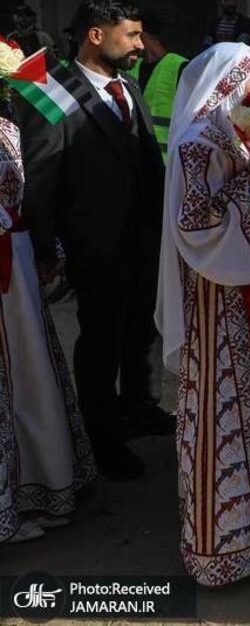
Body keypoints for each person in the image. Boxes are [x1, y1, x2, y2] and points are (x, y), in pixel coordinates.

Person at [156, 43, 250, 585]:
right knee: (227, 404)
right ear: (230, 80)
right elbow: (194, 224)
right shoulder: (198, 142)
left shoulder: (240, 132)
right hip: (218, 298)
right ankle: (224, 541)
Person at [16, 0, 170, 481]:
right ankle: (103, 438)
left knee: (141, 328)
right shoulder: (50, 90)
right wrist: (46, 247)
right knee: (102, 338)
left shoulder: (128, 84)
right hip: (94, 243)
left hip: (142, 237)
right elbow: (40, 177)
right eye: (131, 35)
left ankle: (139, 406)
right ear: (96, 35)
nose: (140, 45)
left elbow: (146, 156)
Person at [0, 99, 96, 545]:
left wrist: (44, 244)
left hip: (15, 265)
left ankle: (41, 483)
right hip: (8, 259)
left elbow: (32, 183)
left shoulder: (13, 118)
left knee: (29, 370)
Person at [135, 15, 189, 161]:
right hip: (139, 159)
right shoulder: (131, 68)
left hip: (169, 162)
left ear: (143, 35)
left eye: (133, 35)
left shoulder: (180, 66)